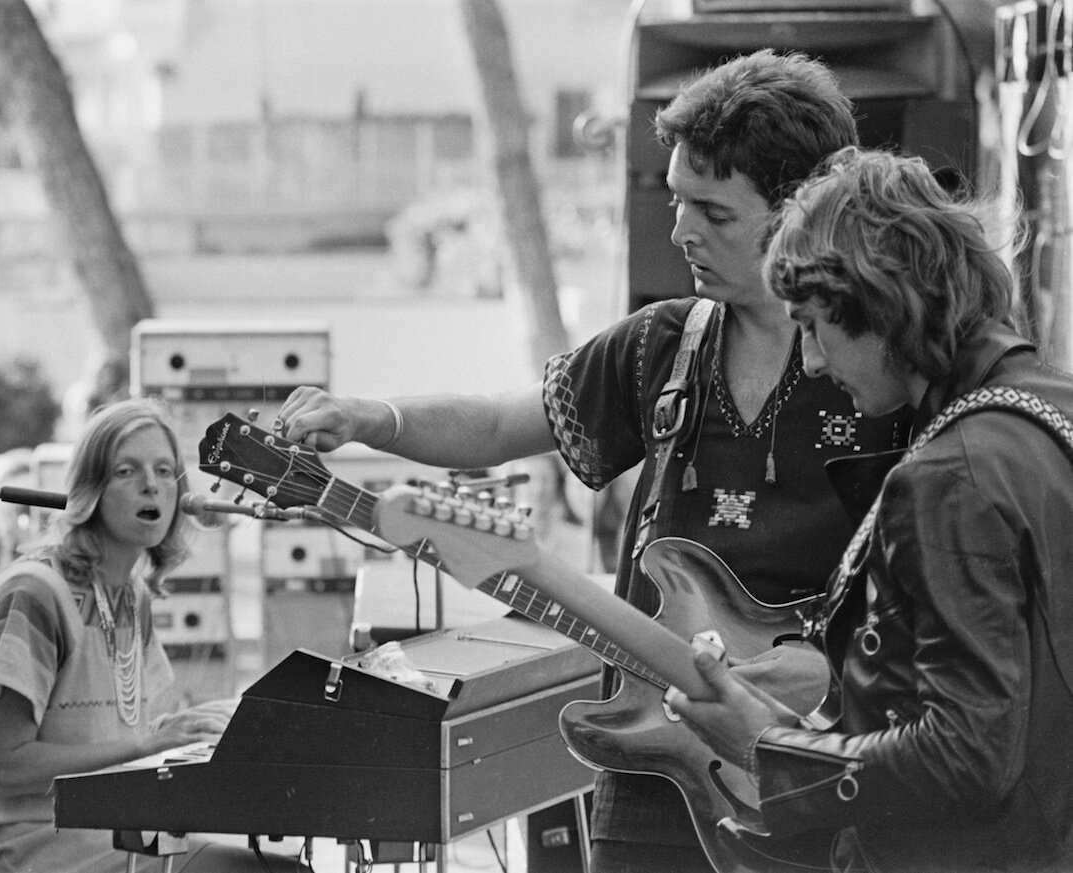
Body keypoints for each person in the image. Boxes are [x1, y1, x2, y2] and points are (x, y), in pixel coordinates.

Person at [277, 50, 907, 872]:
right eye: (677, 200)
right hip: (651, 765)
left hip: (822, 765)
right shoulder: (660, 343)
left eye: (714, 213)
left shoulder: (878, 356)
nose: (681, 230)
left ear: (798, 207)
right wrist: (374, 418)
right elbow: (503, 423)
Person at [668, 147, 1073, 872]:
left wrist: (767, 748)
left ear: (882, 304)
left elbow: (968, 752)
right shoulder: (1049, 408)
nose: (814, 361)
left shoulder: (952, 476)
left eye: (816, 326)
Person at [0, 399, 306, 873]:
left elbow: (146, 727)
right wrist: (149, 745)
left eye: (163, 470)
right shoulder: (32, 594)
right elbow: (7, 768)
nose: (150, 484)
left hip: (103, 831)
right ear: (90, 489)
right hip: (19, 847)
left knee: (281, 866)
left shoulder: (131, 594)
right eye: (126, 471)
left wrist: (229, 725)